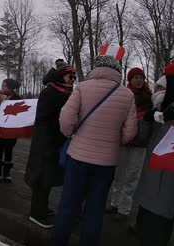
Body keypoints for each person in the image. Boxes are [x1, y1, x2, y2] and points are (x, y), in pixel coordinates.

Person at [53, 55, 138, 246]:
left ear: (96, 68)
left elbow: (66, 118)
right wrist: (115, 142)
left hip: (78, 158)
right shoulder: (127, 94)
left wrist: (71, 134)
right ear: (117, 70)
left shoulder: (82, 87)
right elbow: (131, 131)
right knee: (95, 211)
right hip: (106, 164)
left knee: (68, 207)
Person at [134, 61, 174, 246]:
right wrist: (147, 119)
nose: (156, 92)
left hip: (164, 183)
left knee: (157, 227)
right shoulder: (160, 111)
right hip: (151, 182)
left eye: (161, 88)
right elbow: (142, 138)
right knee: (147, 223)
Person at [25, 61, 76, 229]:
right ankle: (37, 214)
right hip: (46, 142)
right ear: (62, 76)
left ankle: (41, 209)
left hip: (52, 141)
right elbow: (48, 118)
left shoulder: (60, 92)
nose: (73, 79)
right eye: (70, 76)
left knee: (47, 177)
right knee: (42, 178)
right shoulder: (53, 92)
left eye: (74, 77)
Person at [107, 67, 152, 222]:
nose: (139, 80)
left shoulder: (149, 98)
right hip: (124, 140)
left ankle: (124, 209)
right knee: (119, 174)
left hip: (140, 143)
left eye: (141, 77)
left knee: (132, 176)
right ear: (130, 79)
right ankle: (114, 202)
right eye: (136, 77)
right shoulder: (123, 95)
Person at [0, 78, 21, 183]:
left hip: (10, 128)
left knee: (8, 152)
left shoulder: (16, 98)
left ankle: (7, 174)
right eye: (2, 85)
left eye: (5, 86)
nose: (2, 88)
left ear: (10, 87)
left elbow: (19, 114)